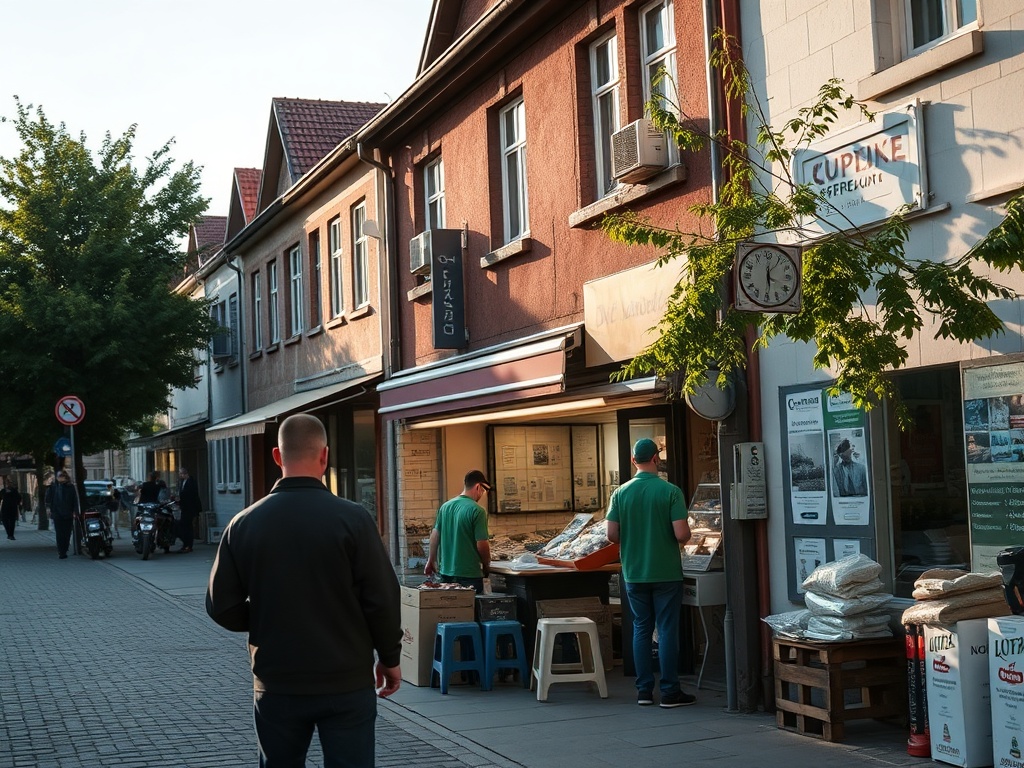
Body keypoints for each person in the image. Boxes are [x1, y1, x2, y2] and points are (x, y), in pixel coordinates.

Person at [206, 414, 401, 768]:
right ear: (325, 456)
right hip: (346, 677)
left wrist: (266, 618)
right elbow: (383, 599)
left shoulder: (244, 524)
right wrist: (390, 658)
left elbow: (221, 605)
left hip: (277, 679)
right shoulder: (354, 519)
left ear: (277, 456)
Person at [606, 438, 694, 708]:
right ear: (657, 458)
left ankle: (644, 690)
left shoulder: (620, 493)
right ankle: (670, 691)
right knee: (667, 630)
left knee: (641, 629)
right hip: (666, 572)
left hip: (634, 572)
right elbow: (681, 534)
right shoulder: (671, 491)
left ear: (634, 461)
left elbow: (611, 535)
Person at [424, 469, 491, 593]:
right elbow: (482, 544)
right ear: (478, 487)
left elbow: (435, 535)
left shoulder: (445, 507)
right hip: (470, 574)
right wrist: (487, 565)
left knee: (450, 611)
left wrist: (431, 560)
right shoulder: (478, 511)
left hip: (445, 573)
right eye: (483, 491)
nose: (482, 495)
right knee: (470, 610)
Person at [45, 470, 79, 559]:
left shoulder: (70, 487)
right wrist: (48, 509)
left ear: (65, 477)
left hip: (68, 513)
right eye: (59, 476)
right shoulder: (53, 487)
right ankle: (61, 551)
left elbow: (74, 500)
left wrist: (75, 511)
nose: (60, 477)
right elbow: (48, 499)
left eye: (62, 476)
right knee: (59, 533)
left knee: (67, 533)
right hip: (57, 513)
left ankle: (65, 548)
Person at [175, 467, 201, 553]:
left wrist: (181, 498)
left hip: (190, 508)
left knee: (188, 526)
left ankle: (189, 545)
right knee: (184, 526)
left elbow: (191, 495)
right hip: (184, 508)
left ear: (185, 474)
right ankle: (185, 544)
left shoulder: (191, 482)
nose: (180, 475)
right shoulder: (182, 482)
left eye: (181, 474)